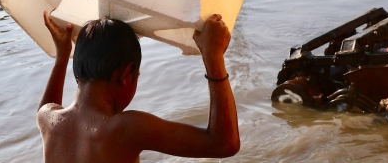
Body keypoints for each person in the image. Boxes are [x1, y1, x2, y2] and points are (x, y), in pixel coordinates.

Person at [37, 11, 240, 162]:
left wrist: (61, 57)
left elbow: (46, 106)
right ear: (126, 75)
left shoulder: (48, 119)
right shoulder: (126, 128)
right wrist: (214, 57)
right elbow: (223, 145)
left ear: (76, 71)